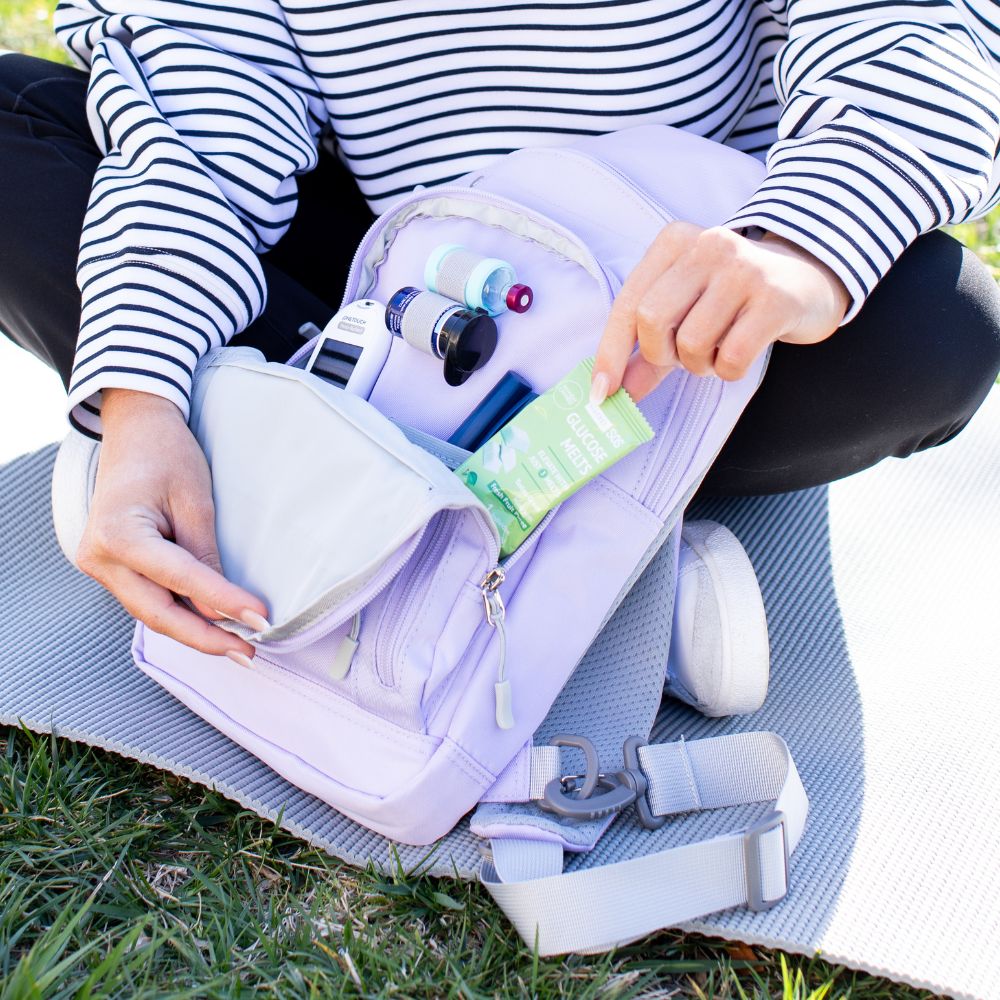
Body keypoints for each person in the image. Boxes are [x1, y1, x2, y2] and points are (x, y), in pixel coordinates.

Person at [2, 1, 1000, 677]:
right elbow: (199, 116)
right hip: (400, 286)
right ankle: (558, 567)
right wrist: (142, 395)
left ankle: (316, 486)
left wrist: (795, 241)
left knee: (934, 328)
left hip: (659, 331)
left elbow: (905, 29)